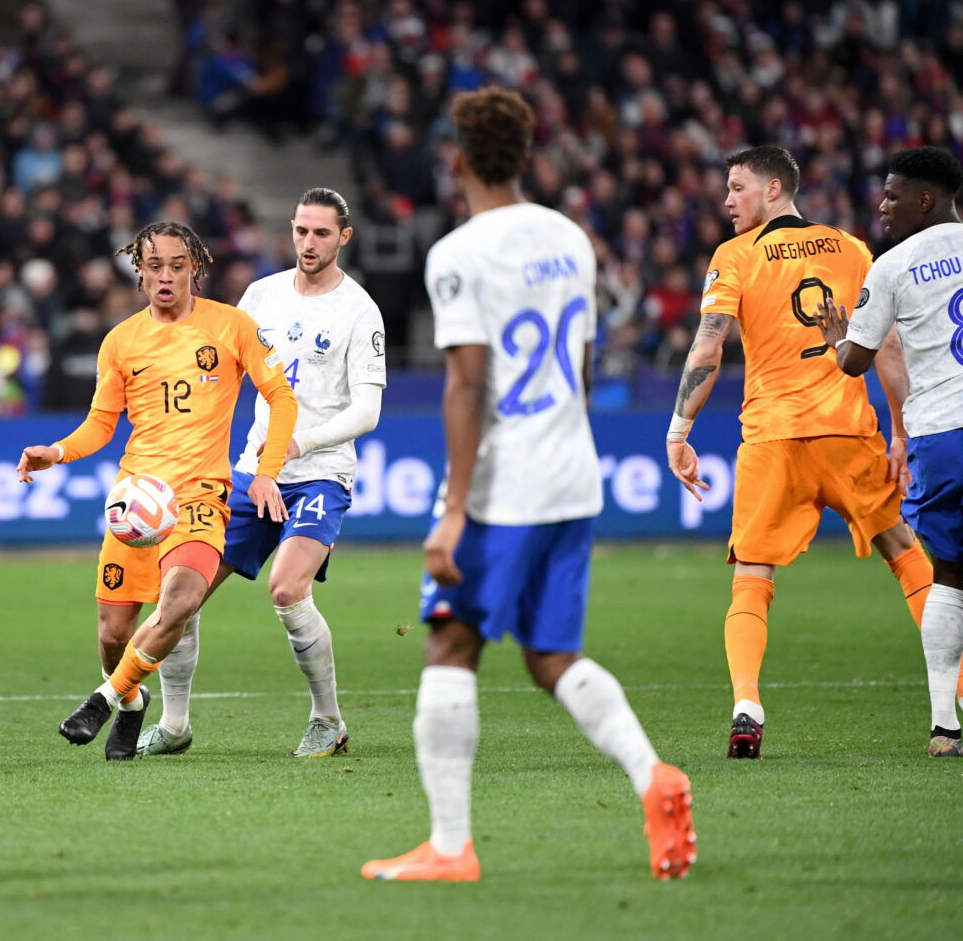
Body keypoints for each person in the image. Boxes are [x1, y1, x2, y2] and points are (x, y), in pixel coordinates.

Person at [363, 87, 694, 883]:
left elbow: (468, 387)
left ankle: (450, 848)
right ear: (525, 153)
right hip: (573, 474)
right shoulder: (569, 237)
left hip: (504, 489)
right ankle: (654, 775)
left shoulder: (458, 253)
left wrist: (451, 513)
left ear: (457, 161)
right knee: (550, 653)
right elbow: (579, 365)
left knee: (450, 640)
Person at [666, 145, 937, 760]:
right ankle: (959, 693)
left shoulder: (735, 256)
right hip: (848, 431)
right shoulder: (852, 248)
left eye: (737, 186)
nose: (726, 200)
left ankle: (746, 704)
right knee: (905, 553)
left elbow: (708, 349)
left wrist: (679, 431)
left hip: (773, 438)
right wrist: (900, 431)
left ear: (773, 189)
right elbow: (888, 344)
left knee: (751, 579)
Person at [16, 221, 298, 760]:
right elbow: (101, 424)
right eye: (155, 266)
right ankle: (130, 701)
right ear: (139, 271)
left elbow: (281, 396)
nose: (165, 276)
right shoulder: (120, 341)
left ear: (195, 267)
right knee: (112, 632)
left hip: (199, 497)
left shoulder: (232, 326)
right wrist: (55, 451)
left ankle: (101, 700)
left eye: (176, 265)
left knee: (181, 601)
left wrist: (266, 469)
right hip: (136, 500)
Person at [137, 187, 385, 759]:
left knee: (287, 587)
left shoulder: (359, 310)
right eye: (301, 230)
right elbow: (216, 370)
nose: (308, 242)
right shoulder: (261, 296)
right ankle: (175, 725)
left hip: (319, 473)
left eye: (321, 233)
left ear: (344, 237)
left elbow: (366, 411)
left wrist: (299, 440)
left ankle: (329, 720)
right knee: (181, 590)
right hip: (251, 473)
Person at [816, 145, 963, 757]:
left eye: (893, 194)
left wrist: (834, 336)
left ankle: (943, 727)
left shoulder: (893, 265)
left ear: (925, 200)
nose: (882, 205)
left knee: (951, 577)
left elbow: (855, 363)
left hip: (941, 435)